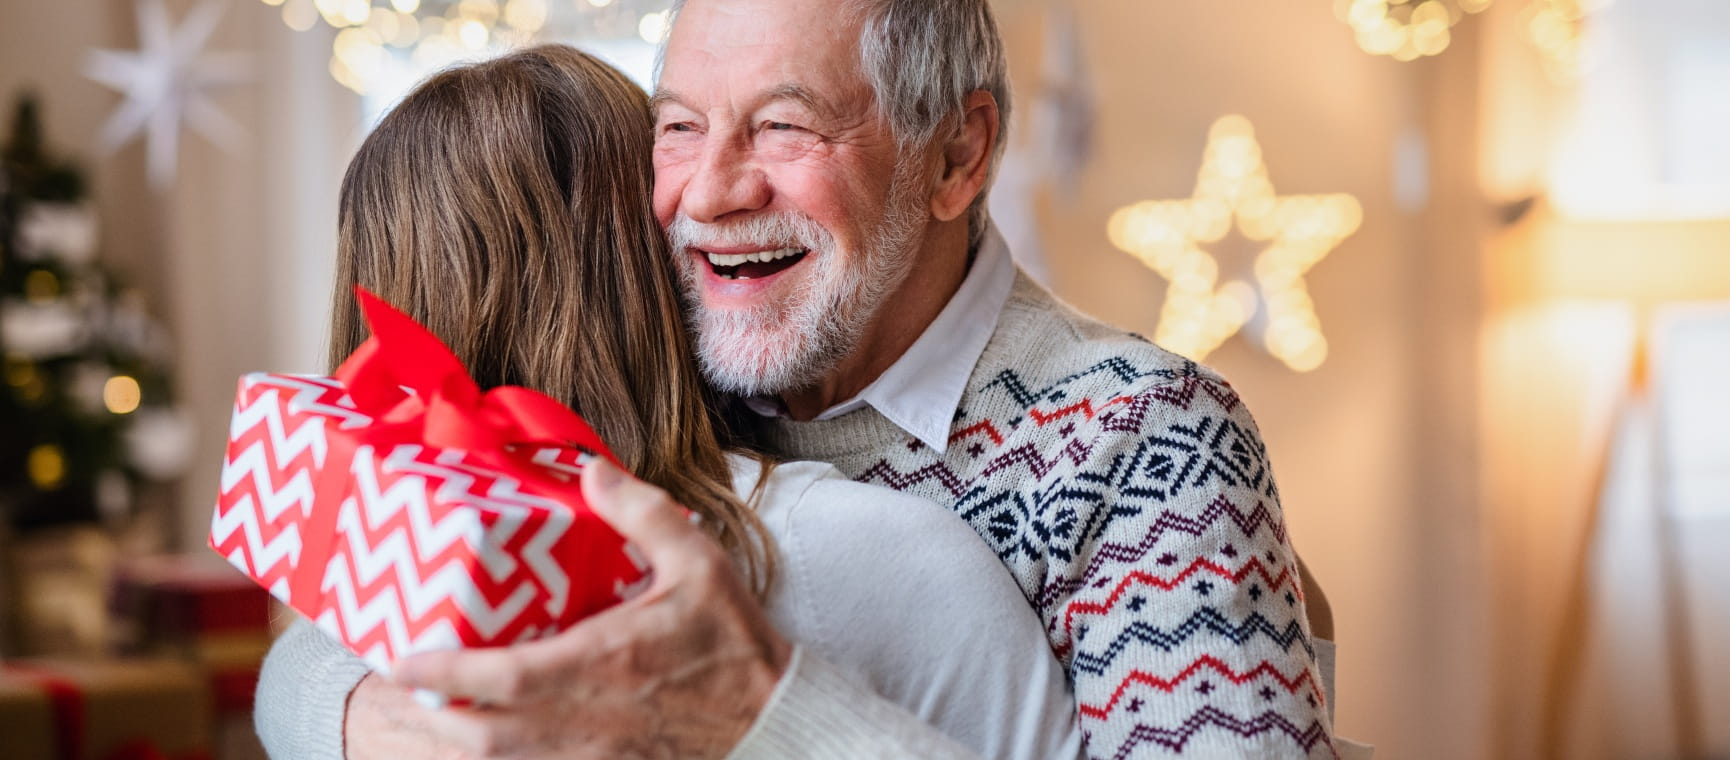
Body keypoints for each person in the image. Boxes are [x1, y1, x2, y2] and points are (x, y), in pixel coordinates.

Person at [359, 0, 1366, 758]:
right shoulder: (658, 375)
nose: (709, 193)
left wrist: (769, 715)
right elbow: (322, 642)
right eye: (678, 128)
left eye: (784, 127)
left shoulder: (1146, 439)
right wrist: (368, 719)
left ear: (955, 155)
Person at [252, 44, 1084, 760]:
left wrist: (334, 710)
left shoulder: (386, 573)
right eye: (679, 148)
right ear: (647, 260)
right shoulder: (859, 551)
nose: (714, 202)